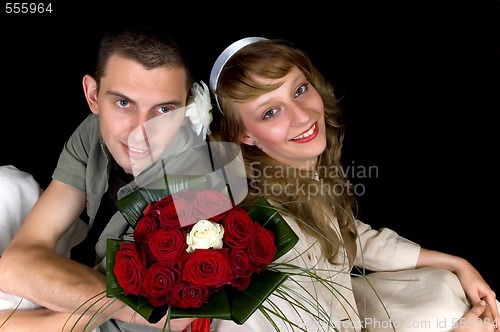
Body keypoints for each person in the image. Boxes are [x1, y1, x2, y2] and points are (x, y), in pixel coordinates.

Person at [207, 37, 499, 331]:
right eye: (270, 112)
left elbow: (344, 234)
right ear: (245, 136)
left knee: (448, 293)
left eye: (299, 90)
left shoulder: (297, 176)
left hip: (348, 316)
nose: (303, 116)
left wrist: (457, 263)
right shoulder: (263, 229)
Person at [0, 25, 215, 331]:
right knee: (5, 185)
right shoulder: (94, 128)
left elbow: (158, 322)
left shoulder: (196, 183)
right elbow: (16, 263)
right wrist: (139, 309)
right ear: (93, 95)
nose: (141, 133)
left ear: (186, 110)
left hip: (110, 324)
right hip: (97, 285)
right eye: (123, 103)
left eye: (164, 110)